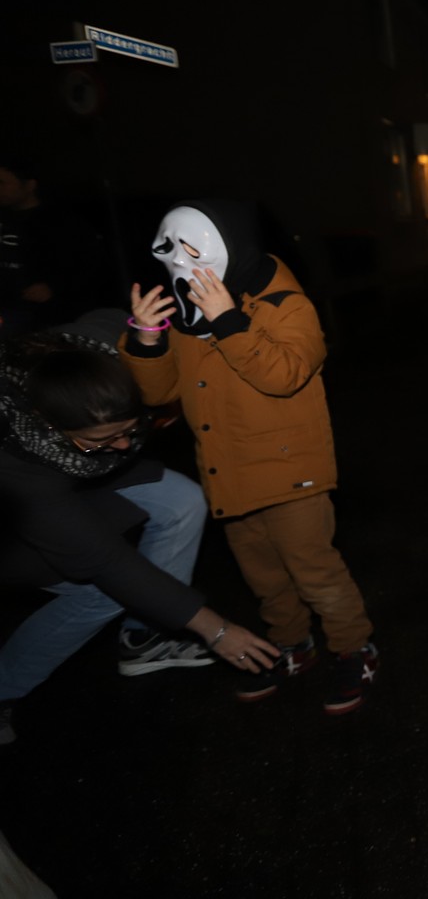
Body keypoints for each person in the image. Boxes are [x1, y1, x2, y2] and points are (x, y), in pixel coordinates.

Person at [121, 200, 379, 715]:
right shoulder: (190, 310)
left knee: (314, 571)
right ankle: (292, 644)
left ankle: (355, 649)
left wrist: (228, 322)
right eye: (169, 251)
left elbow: (285, 374)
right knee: (263, 576)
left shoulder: (284, 305)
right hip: (228, 470)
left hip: (291, 469)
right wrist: (147, 340)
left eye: (192, 250)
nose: (180, 264)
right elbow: (161, 393)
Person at [0, 320, 278, 746]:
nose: (125, 445)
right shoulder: (17, 463)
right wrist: (216, 629)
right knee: (100, 592)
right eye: (104, 438)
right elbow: (106, 562)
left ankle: (144, 637)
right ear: (47, 424)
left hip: (79, 474)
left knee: (182, 500)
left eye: (129, 431)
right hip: (14, 517)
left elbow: (164, 350)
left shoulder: (100, 349)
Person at [0, 154, 99, 337]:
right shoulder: (4, 218)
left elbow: (88, 263)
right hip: (6, 307)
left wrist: (55, 287)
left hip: (42, 316)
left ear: (29, 185)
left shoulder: (62, 221)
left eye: (2, 183)